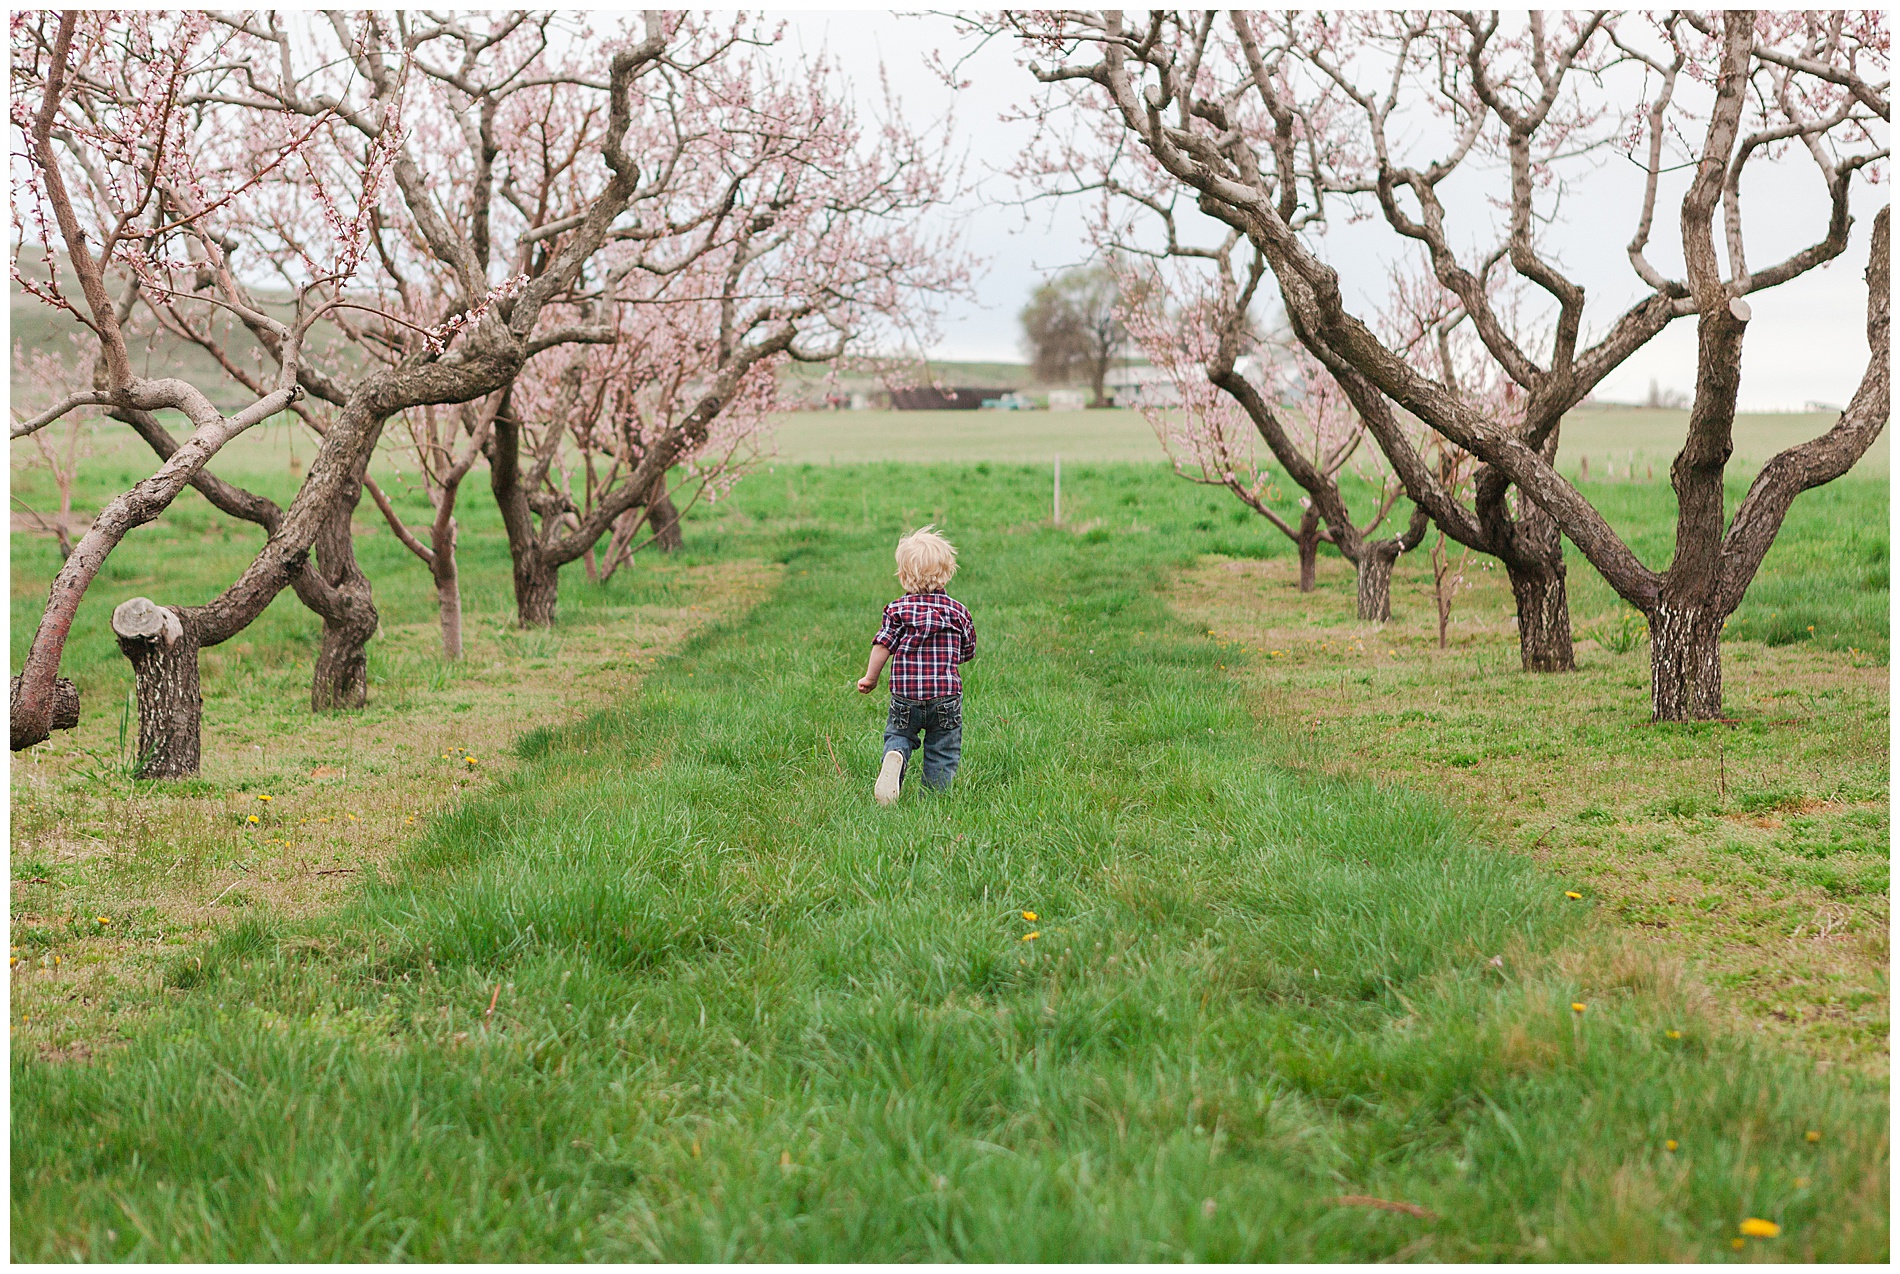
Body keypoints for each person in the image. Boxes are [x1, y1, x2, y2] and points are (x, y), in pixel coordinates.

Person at [855, 525, 976, 804]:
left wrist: (871, 678)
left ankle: (894, 758)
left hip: (905, 697)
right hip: (945, 697)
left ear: (903, 575)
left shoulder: (896, 610)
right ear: (948, 571)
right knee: (942, 749)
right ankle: (934, 799)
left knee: (899, 734)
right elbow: (967, 649)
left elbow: (882, 646)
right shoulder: (958, 612)